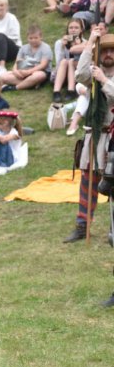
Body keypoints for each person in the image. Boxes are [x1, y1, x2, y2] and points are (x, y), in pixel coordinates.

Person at [63, 27, 114, 243]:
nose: (108, 55)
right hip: (94, 134)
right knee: (88, 181)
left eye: (112, 51)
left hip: (112, 137)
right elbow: (79, 74)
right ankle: (83, 225)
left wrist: (104, 80)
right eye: (104, 51)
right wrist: (91, 41)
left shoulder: (101, 76)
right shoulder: (93, 72)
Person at [0, 24, 52, 91]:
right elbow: (17, 63)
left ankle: (15, 88)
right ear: (27, 38)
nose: (33, 40)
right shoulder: (23, 48)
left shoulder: (46, 48)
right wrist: (15, 71)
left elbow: (43, 65)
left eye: (36, 38)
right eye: (31, 38)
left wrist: (28, 72)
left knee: (39, 75)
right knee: (3, 76)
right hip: (23, 72)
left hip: (39, 72)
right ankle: (30, 84)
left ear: (41, 37)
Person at [52, 18, 87, 103]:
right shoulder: (59, 43)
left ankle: (71, 90)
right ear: (67, 29)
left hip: (77, 72)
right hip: (61, 73)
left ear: (81, 29)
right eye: (71, 28)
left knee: (71, 61)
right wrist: (62, 47)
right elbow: (58, 63)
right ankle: (56, 92)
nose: (73, 30)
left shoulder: (85, 43)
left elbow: (84, 62)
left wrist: (78, 47)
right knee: (64, 61)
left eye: (76, 27)